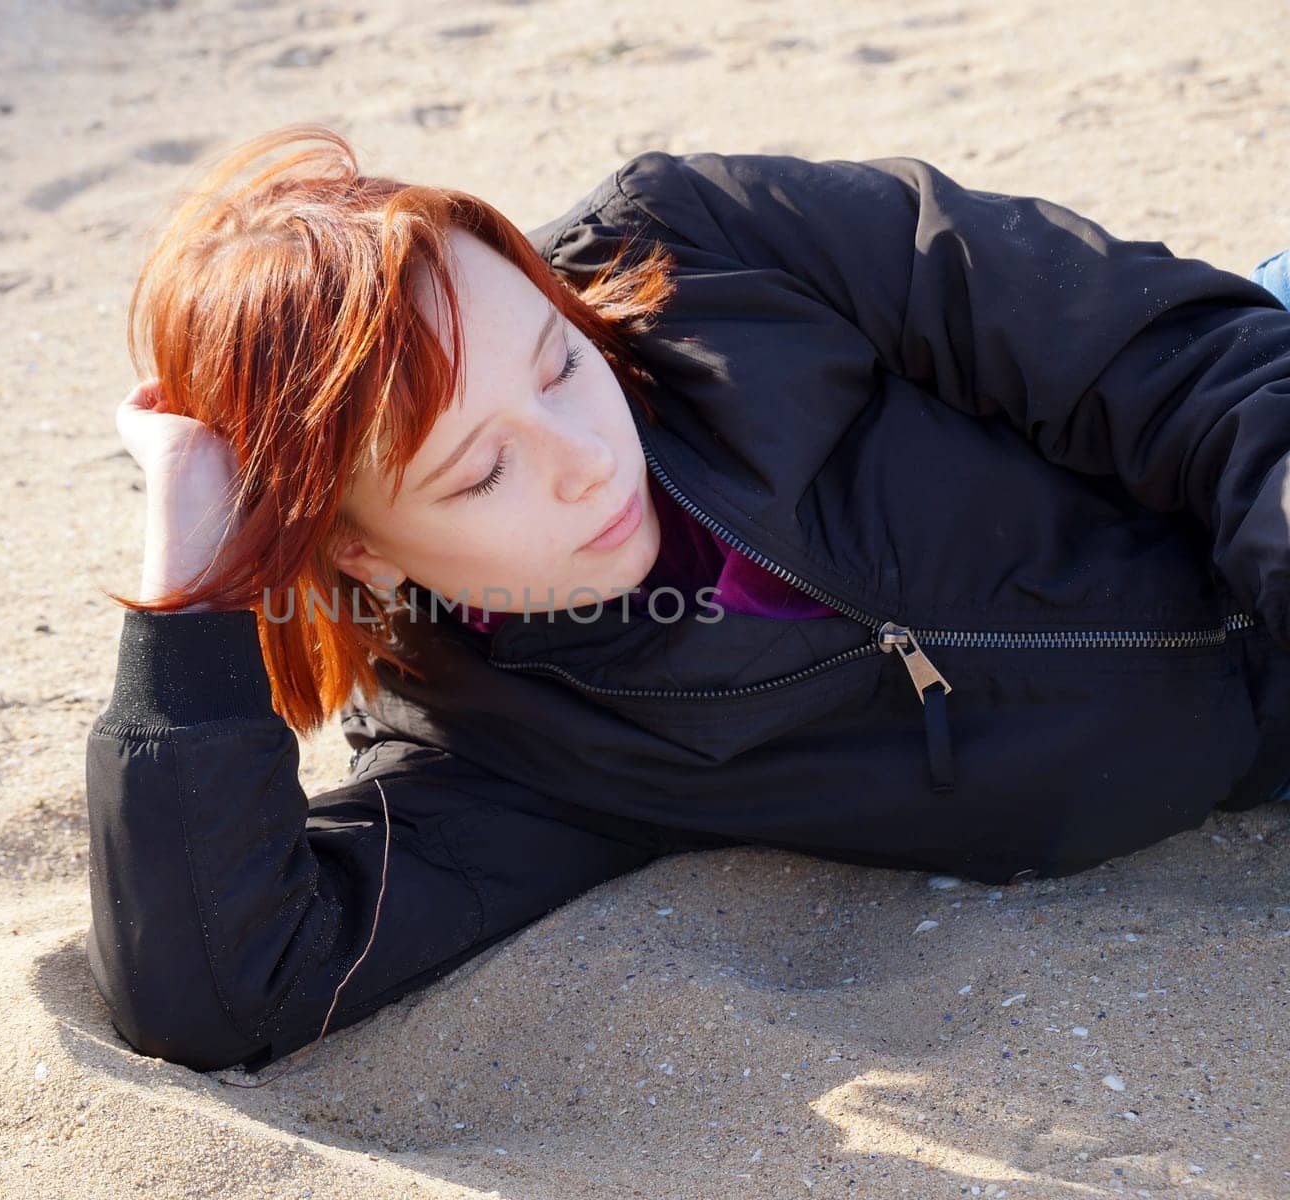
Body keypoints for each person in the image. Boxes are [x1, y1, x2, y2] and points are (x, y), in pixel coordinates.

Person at [84, 123, 1290, 1075]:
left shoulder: (712, 245)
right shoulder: (511, 751)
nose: (584, 455)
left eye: (559, 359)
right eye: (482, 469)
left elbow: (1189, 368)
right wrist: (191, 593)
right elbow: (231, 987)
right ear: (362, 553)